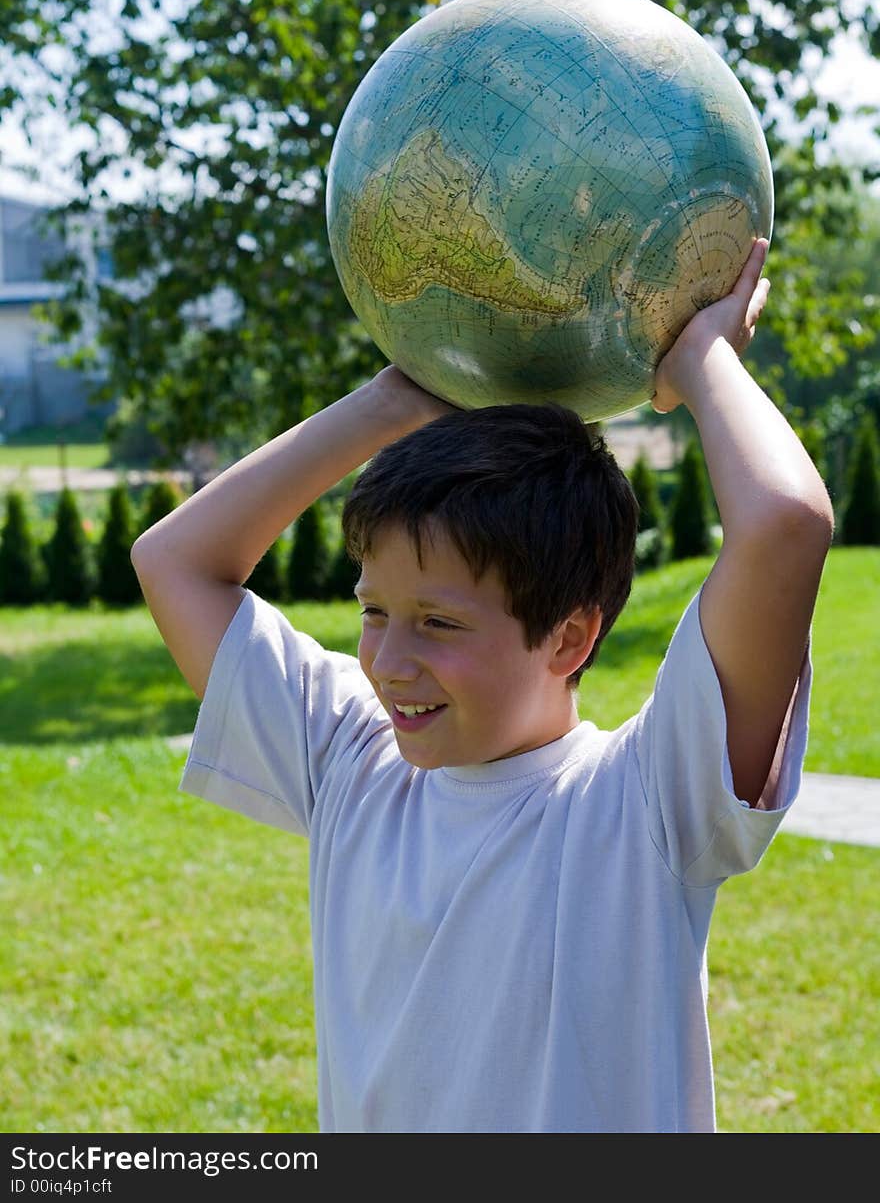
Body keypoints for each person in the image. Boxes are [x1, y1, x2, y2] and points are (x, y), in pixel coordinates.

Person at [131, 237, 834, 1133]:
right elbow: (174, 561)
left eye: (440, 623)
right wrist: (393, 400)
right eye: (374, 610)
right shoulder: (353, 760)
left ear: (570, 635)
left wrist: (699, 357)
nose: (386, 663)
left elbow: (784, 524)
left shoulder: (648, 804)